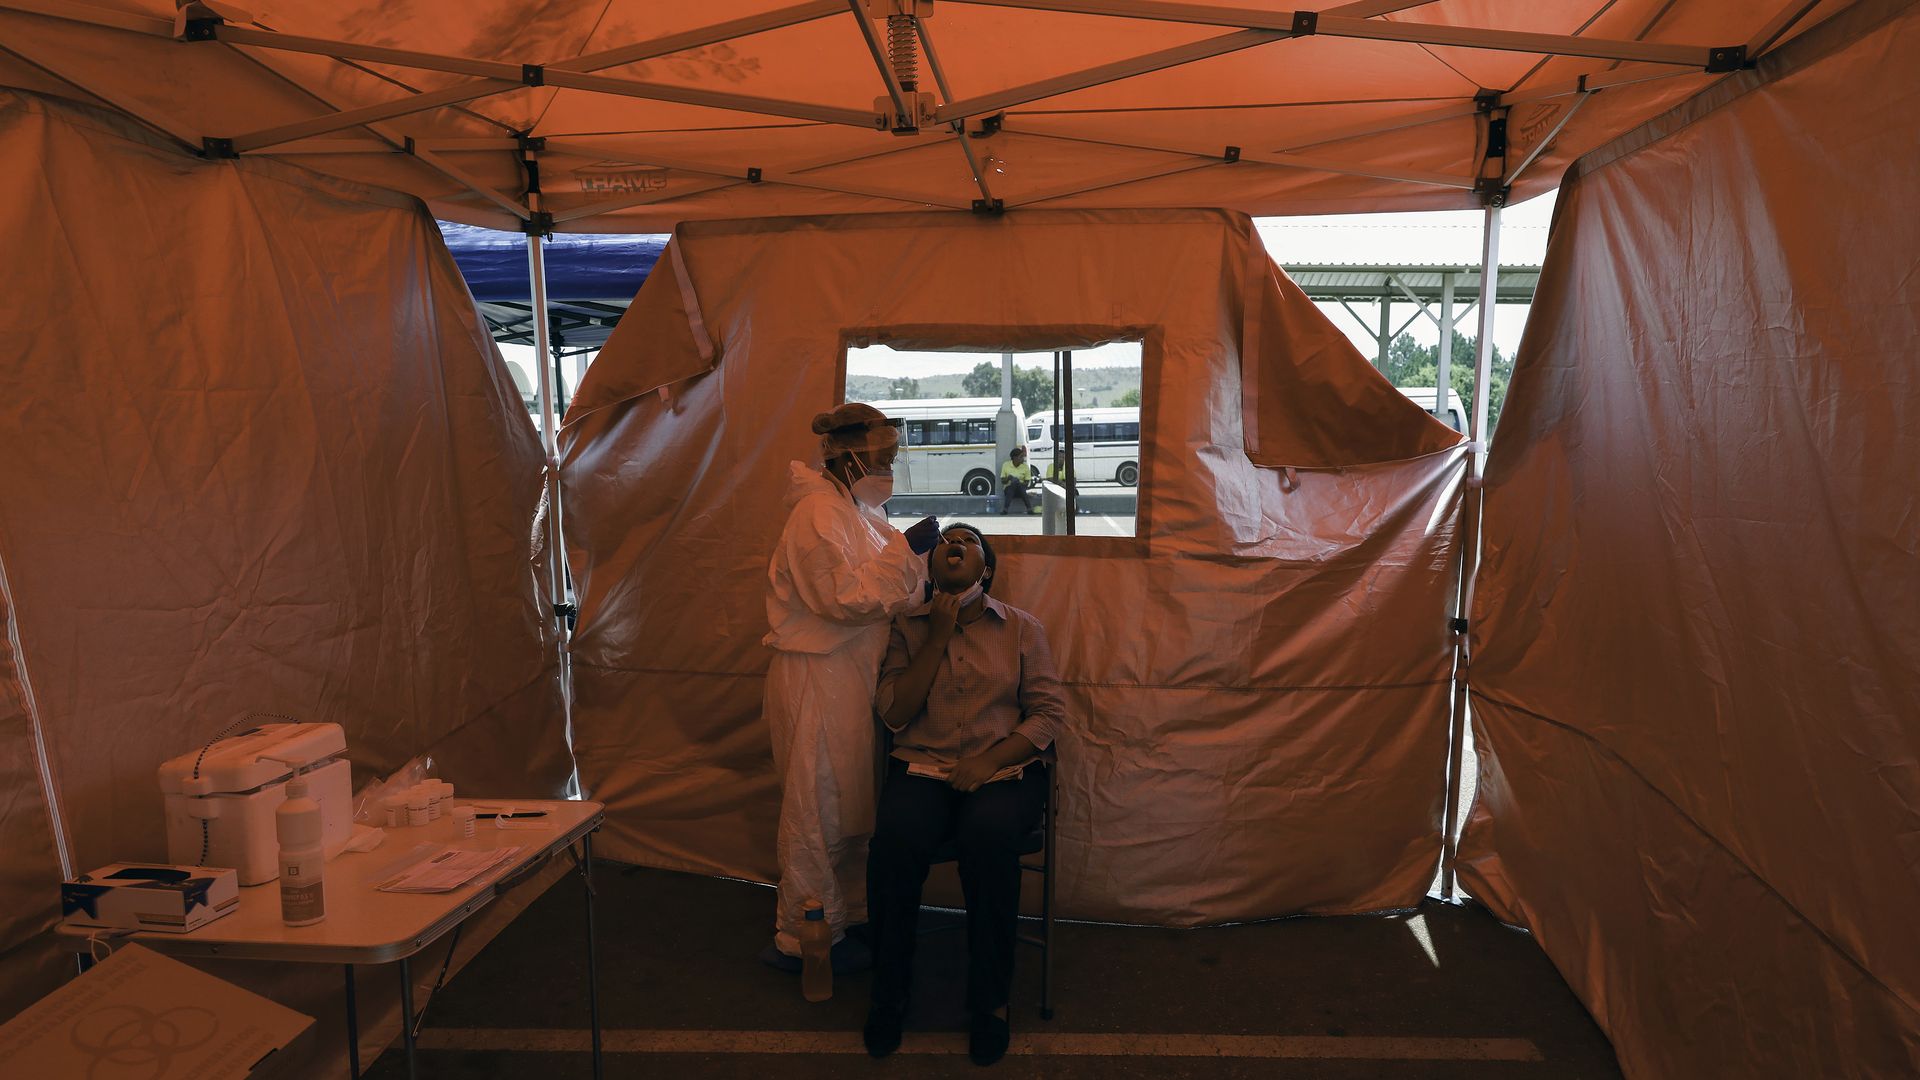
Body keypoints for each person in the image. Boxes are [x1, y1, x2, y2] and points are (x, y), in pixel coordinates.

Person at [862, 524, 1068, 1066]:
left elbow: (1048, 714)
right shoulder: (906, 627)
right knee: (895, 842)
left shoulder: (1021, 629)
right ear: (931, 567)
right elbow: (895, 713)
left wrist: (989, 761)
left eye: (969, 540)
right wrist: (937, 636)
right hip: (922, 768)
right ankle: (889, 996)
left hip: (1001, 772)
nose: (954, 543)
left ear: (986, 570)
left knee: (989, 836)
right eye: (946, 540)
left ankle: (989, 1004)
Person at [762, 403, 942, 975]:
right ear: (846, 458)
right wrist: (906, 554)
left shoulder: (859, 511)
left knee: (850, 809)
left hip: (851, 678)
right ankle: (805, 936)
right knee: (816, 811)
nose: (888, 469)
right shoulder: (817, 514)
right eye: (881, 459)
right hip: (817, 678)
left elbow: (888, 588)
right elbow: (843, 599)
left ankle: (849, 916)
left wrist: (925, 581)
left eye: (892, 458)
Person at [997, 447, 1037, 515]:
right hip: (1009, 490)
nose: (1023, 459)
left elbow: (1027, 483)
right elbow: (1003, 481)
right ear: (1015, 458)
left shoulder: (1025, 467)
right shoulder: (1006, 465)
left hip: (1021, 490)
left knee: (1017, 483)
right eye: (1021, 457)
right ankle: (1029, 508)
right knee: (1013, 484)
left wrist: (1019, 482)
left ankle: (1005, 509)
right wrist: (1009, 478)